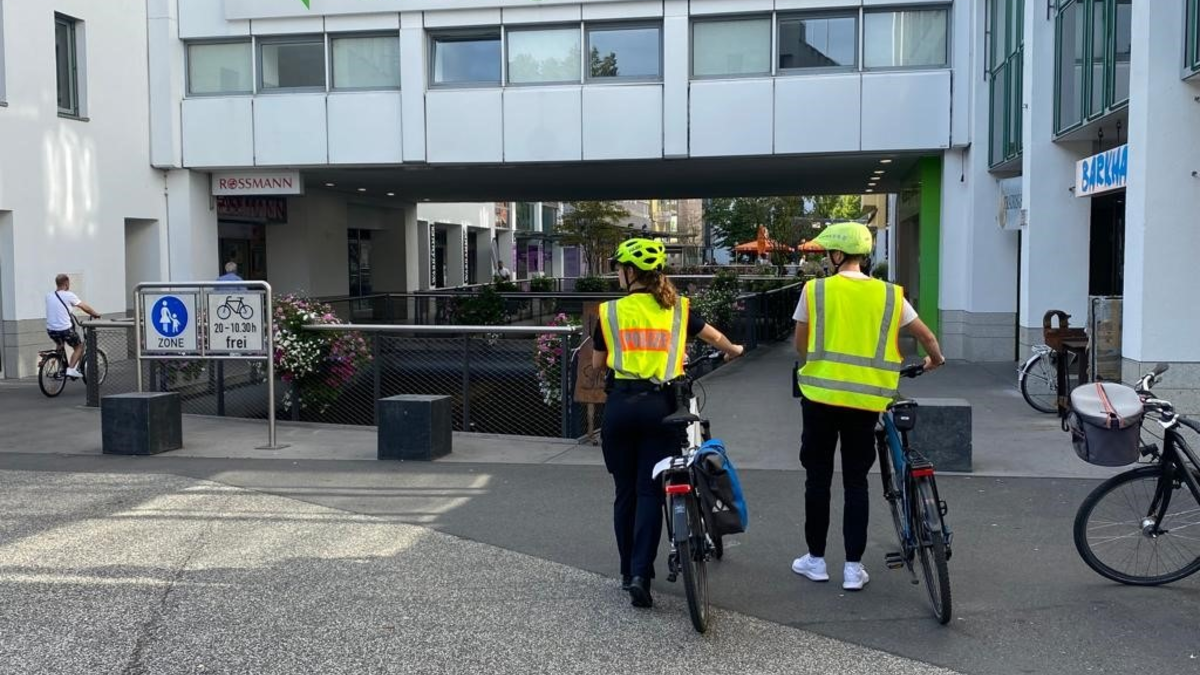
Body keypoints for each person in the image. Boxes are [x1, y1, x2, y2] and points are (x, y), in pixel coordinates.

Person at [790, 222, 945, 592]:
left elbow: (801, 344)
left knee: (818, 480)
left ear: (837, 255)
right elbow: (925, 336)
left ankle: (815, 560)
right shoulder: (890, 295)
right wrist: (934, 360)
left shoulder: (815, 291)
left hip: (819, 399)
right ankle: (852, 568)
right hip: (865, 403)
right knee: (856, 482)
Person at [591, 238, 744, 608]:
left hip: (621, 408)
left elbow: (597, 366)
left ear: (630, 273)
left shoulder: (609, 313)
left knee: (624, 492)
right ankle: (644, 572)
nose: (617, 273)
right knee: (649, 491)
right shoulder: (678, 310)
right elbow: (716, 338)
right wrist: (734, 350)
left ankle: (628, 573)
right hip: (662, 407)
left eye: (618, 268)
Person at [45, 274, 101, 379]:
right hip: (65, 330)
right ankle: (71, 369)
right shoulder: (69, 295)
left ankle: (60, 368)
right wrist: (95, 314)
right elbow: (84, 307)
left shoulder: (48, 295)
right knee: (79, 346)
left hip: (51, 330)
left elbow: (57, 310)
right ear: (66, 283)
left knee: (60, 344)